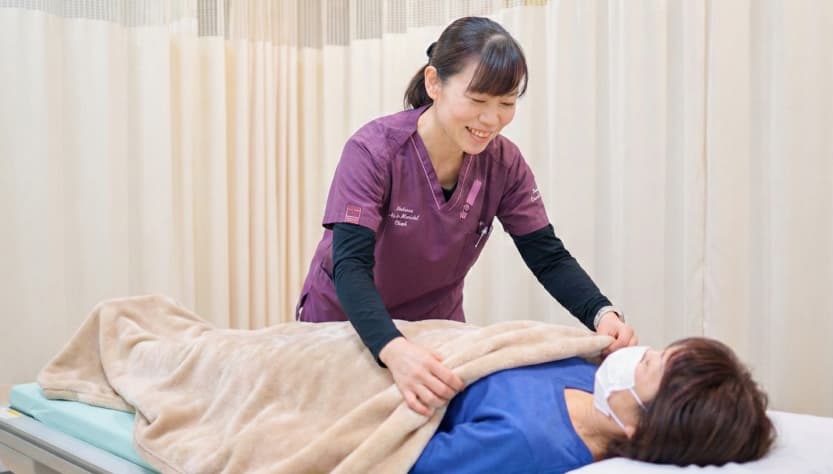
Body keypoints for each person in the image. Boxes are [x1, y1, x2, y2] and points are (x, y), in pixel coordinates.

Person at [297, 16, 637, 417]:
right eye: (477, 100)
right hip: (347, 325)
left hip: (435, 329)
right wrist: (393, 348)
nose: (491, 120)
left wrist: (601, 313)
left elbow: (546, 255)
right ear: (434, 83)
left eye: (506, 103)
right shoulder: (374, 151)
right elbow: (351, 265)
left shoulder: (504, 164)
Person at [410, 337, 776, 473]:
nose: (640, 353)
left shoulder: (526, 445)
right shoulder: (593, 379)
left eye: (648, 365)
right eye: (657, 352)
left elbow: (406, 460)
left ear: (641, 427)